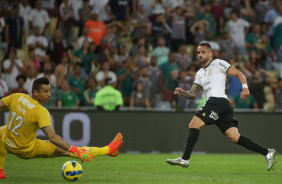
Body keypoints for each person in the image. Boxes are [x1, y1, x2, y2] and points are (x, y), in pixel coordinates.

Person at [166, 43, 276, 171]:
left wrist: (245, 88)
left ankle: (185, 159)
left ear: (210, 54)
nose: (200, 55)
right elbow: (193, 94)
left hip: (218, 101)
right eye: (198, 52)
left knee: (194, 124)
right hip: (222, 106)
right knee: (235, 137)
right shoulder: (200, 73)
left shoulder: (218, 63)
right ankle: (267, 152)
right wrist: (183, 92)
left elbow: (239, 74)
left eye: (203, 52)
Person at [0, 77, 123, 179]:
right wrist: (73, 148)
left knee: (2, 130)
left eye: (49, 91)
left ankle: (0, 171)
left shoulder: (16, 97)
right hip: (26, 149)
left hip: (8, 142)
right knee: (69, 151)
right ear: (35, 93)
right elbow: (52, 137)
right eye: (46, 91)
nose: (49, 94)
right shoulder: (40, 111)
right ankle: (108, 149)